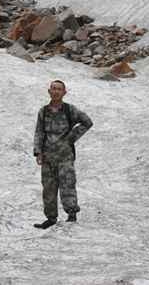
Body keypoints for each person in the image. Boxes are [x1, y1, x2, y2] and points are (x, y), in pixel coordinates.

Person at [32, 80, 93, 229]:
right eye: (53, 89)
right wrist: (38, 152)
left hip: (65, 156)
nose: (56, 91)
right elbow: (39, 132)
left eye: (59, 89)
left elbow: (87, 122)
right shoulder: (43, 111)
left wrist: (71, 138)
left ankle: (71, 215)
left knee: (67, 185)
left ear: (64, 92)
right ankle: (51, 218)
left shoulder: (69, 110)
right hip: (48, 157)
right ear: (49, 91)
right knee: (48, 188)